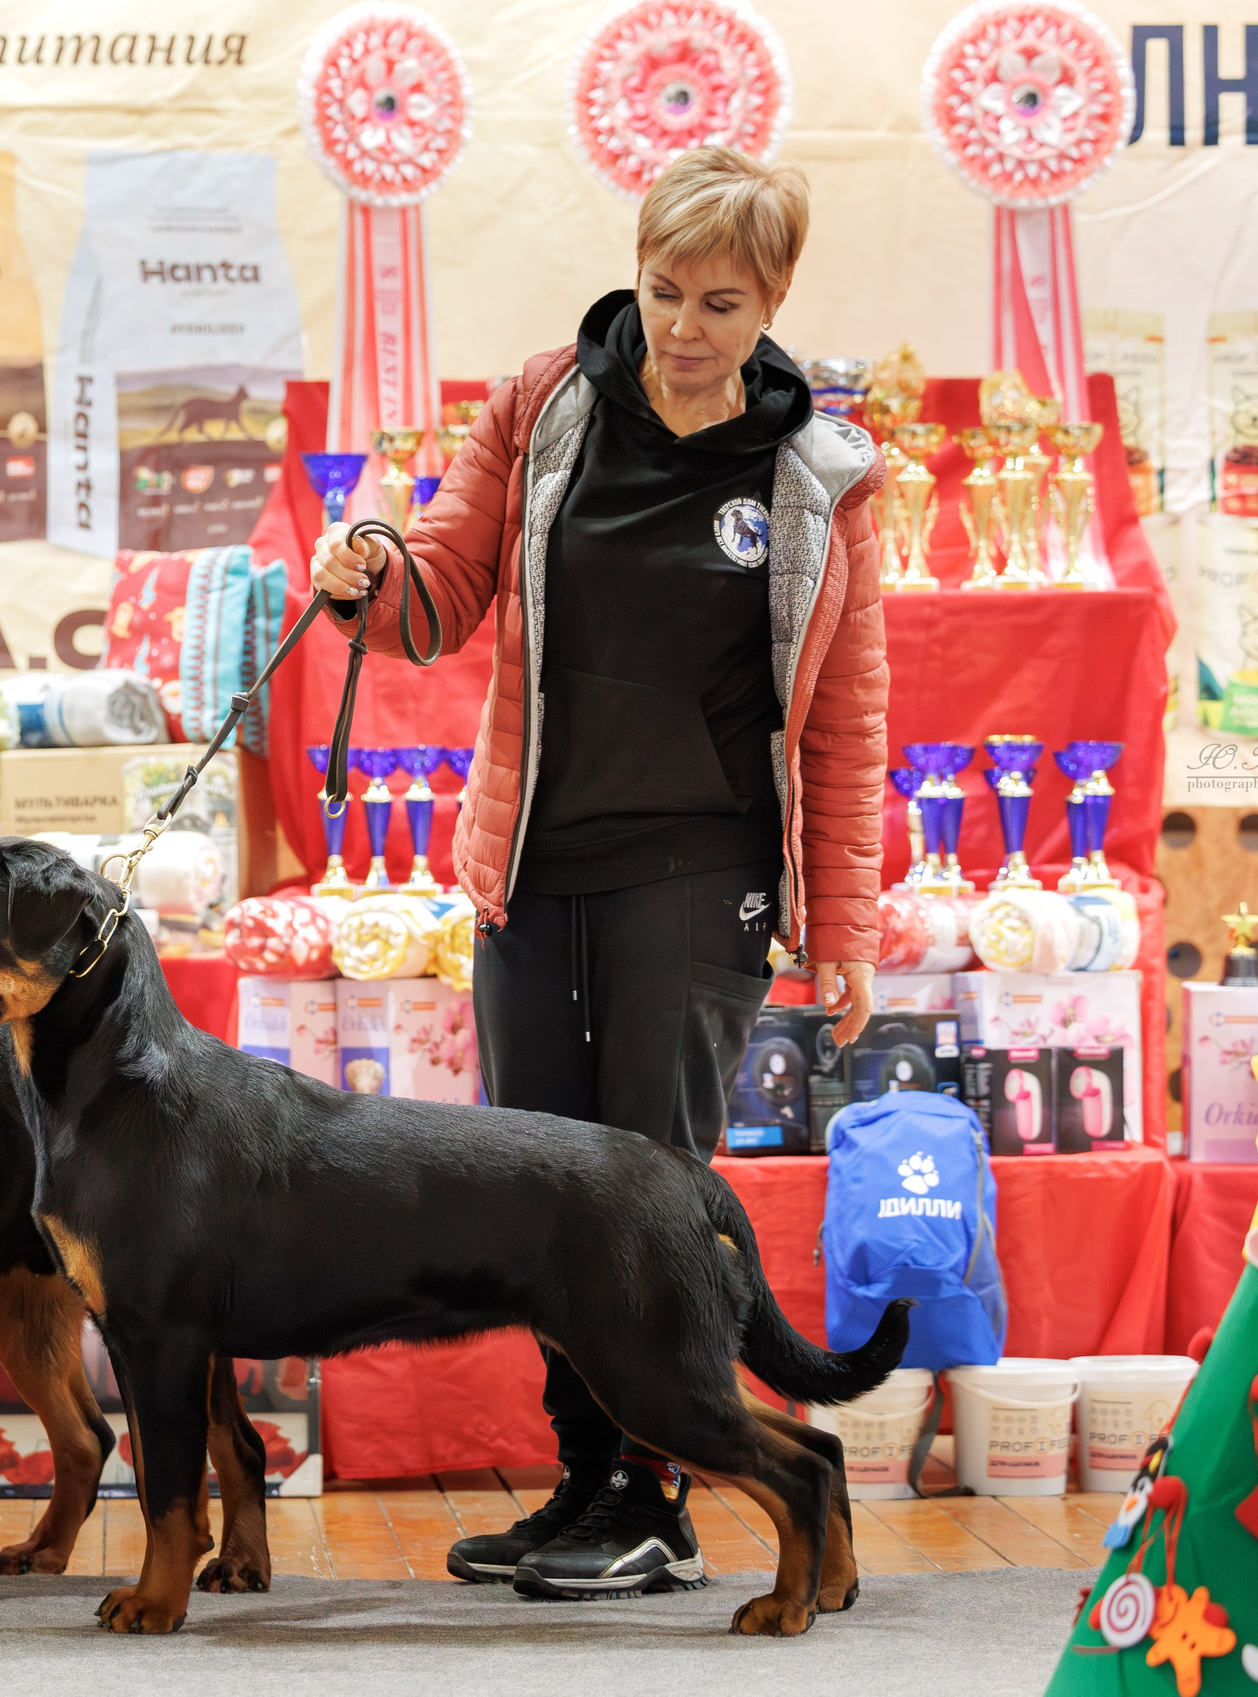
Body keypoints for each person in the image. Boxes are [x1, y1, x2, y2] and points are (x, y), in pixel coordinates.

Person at [309, 147, 886, 1598]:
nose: (683, 326)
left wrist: (846, 924)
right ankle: (586, 1481)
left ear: (775, 303)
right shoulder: (544, 403)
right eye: (664, 288)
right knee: (539, 1206)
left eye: (721, 303)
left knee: (648, 1200)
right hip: (535, 865)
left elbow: (845, 719)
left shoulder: (820, 474)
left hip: (699, 876)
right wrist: (370, 584)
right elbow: (442, 591)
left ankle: (653, 1489)